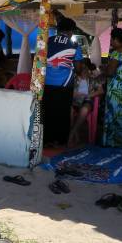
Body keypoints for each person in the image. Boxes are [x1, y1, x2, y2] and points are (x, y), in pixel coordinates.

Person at [43, 17, 83, 147]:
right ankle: (59, 141)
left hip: (46, 81)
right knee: (63, 112)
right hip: (65, 84)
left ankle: (46, 140)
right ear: (71, 31)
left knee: (48, 110)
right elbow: (78, 69)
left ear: (58, 29)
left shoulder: (47, 41)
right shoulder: (75, 45)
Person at [67, 59, 104, 148]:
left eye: (85, 69)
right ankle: (74, 133)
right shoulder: (74, 79)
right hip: (75, 101)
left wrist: (89, 95)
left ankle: (72, 133)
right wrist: (75, 94)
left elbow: (101, 90)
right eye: (82, 69)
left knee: (84, 109)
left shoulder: (93, 80)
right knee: (70, 110)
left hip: (87, 100)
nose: (84, 71)